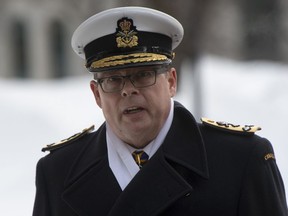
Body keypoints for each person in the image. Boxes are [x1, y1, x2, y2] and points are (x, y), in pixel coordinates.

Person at [32, 6, 288, 216]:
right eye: (113, 80)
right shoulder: (58, 172)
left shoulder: (241, 160)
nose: (128, 91)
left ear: (171, 82)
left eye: (143, 75)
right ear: (96, 94)